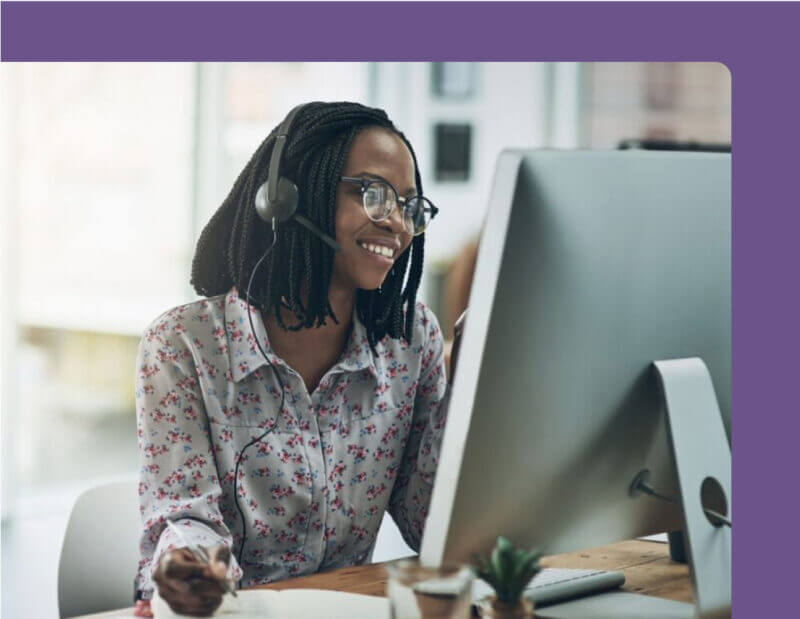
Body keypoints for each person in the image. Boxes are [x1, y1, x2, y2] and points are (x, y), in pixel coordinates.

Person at [132, 101, 464, 617]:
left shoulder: (409, 339)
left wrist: (469, 403)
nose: (397, 224)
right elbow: (183, 516)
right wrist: (194, 567)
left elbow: (429, 525)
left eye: (409, 205)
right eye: (374, 194)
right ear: (287, 197)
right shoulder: (182, 346)